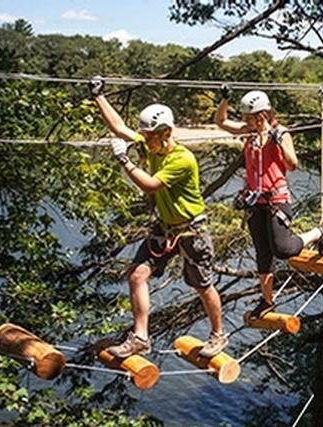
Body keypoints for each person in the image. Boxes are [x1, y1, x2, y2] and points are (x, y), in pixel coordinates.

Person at [89, 77, 227, 358]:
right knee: (137, 274)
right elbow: (119, 127)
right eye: (146, 136)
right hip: (165, 228)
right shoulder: (151, 143)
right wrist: (98, 96)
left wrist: (124, 160)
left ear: (166, 132)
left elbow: (150, 185)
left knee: (202, 285)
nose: (145, 142)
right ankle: (140, 337)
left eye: (150, 137)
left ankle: (218, 335)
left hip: (191, 231)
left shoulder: (182, 159)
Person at [215, 85, 323, 320]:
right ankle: (267, 301)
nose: (245, 121)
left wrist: (277, 141)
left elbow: (292, 164)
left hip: (277, 199)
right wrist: (224, 99)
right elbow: (221, 121)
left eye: (249, 117)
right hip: (255, 201)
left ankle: (316, 233)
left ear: (262, 116)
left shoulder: (281, 132)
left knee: (283, 249)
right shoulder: (248, 132)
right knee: (263, 253)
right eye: (244, 118)